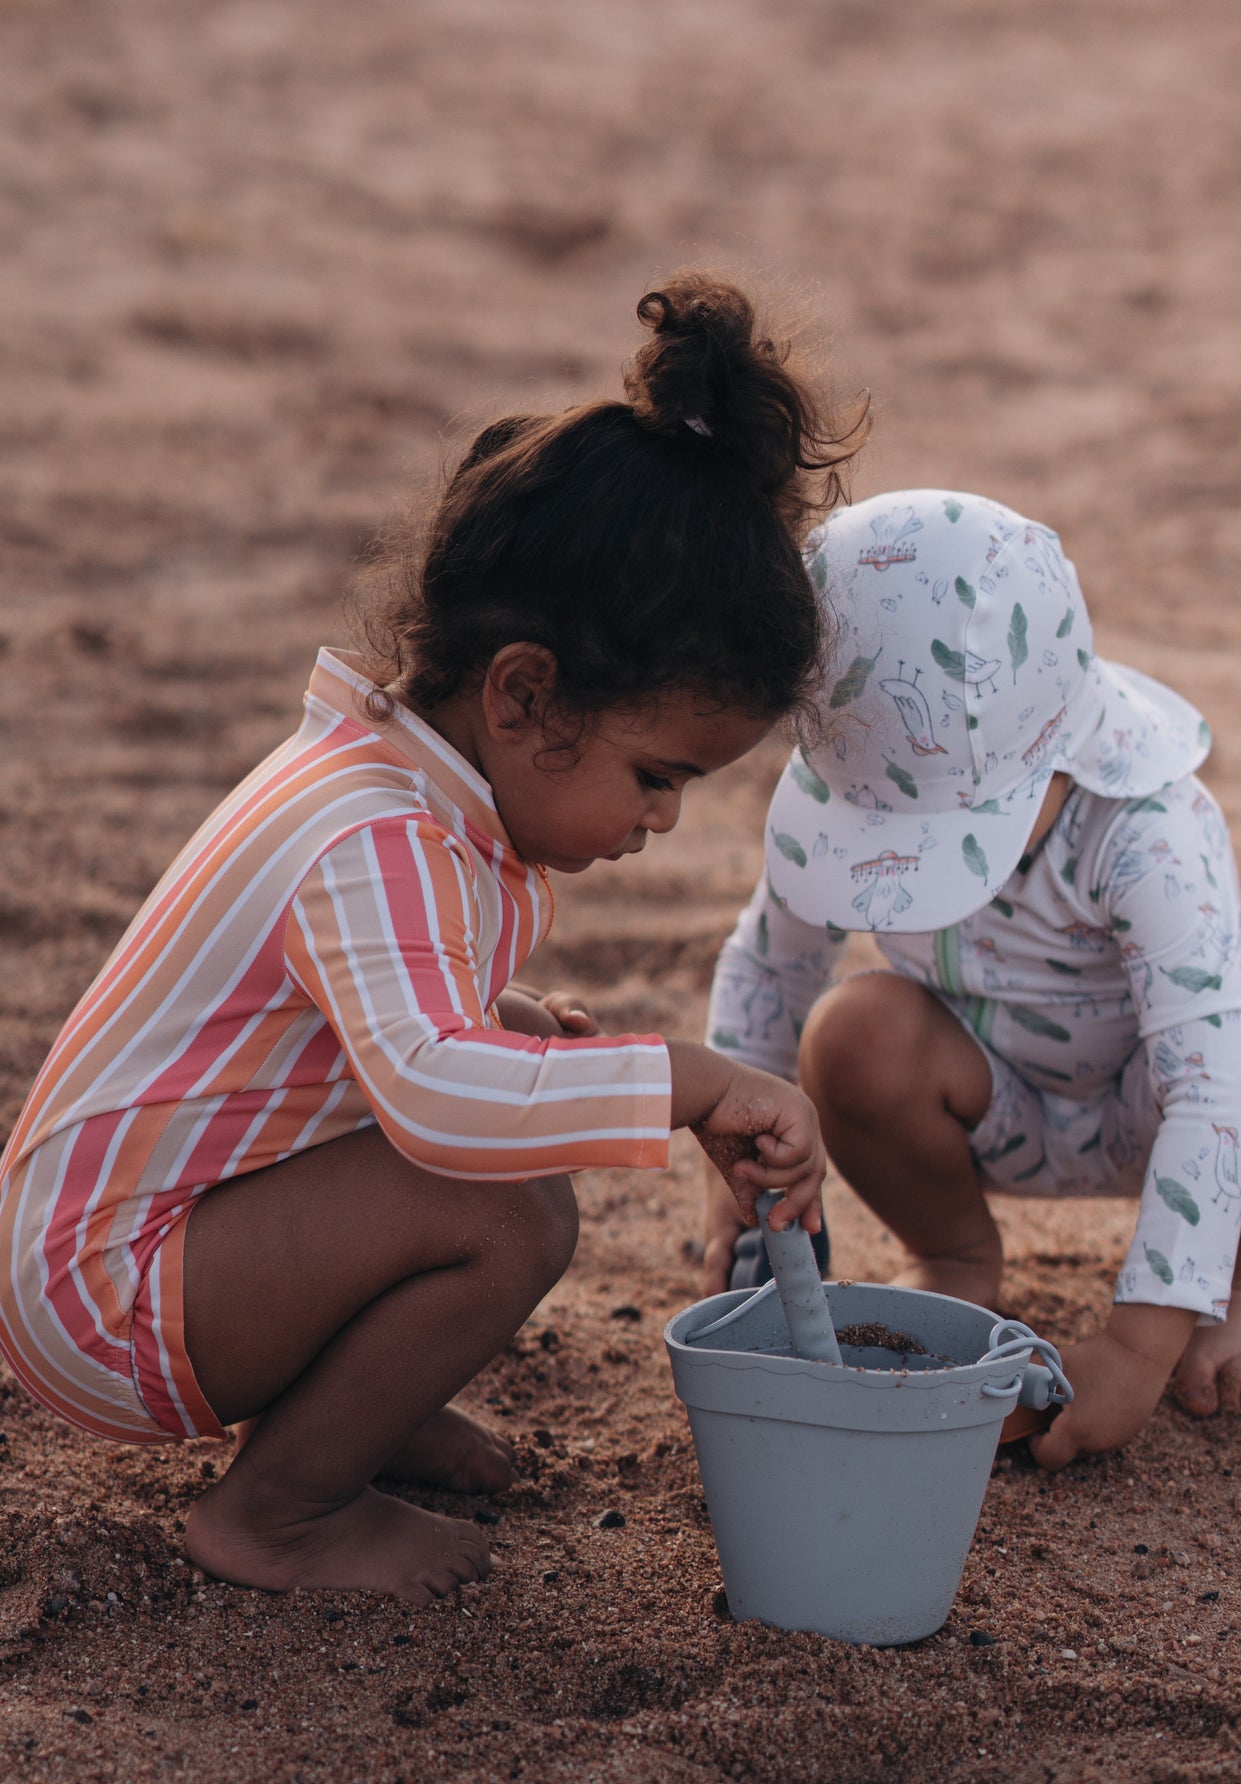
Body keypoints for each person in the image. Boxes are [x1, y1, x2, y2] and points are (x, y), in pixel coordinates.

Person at [0, 274, 863, 1602]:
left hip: (152, 1242)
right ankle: (279, 1514)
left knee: (498, 1145)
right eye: (656, 774)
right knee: (504, 1212)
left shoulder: (402, 789)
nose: (663, 822)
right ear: (524, 694)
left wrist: (513, 1032)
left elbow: (349, 1038)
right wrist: (687, 1079)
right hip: (102, 1299)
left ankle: (349, 1402)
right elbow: (442, 1105)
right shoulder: (376, 835)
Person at [701, 489, 1241, 1469]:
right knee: (846, 1031)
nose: (908, 856)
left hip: (1149, 1104)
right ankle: (955, 1252)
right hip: (979, 1103)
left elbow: (1209, 1079)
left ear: (1058, 739)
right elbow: (771, 966)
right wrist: (730, 1161)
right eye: (885, 830)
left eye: (947, 826)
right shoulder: (855, 765)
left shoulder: (1144, 828)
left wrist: (1136, 1345)